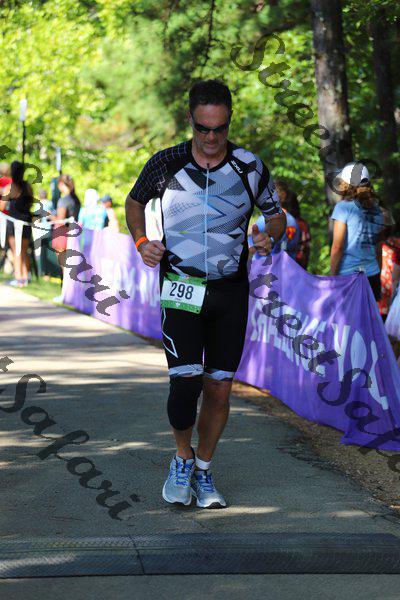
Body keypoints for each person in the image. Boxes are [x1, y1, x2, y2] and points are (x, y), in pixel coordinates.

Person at [125, 79, 286, 509]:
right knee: (185, 383)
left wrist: (269, 235)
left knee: (219, 389)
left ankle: (203, 468)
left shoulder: (250, 166)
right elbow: (134, 202)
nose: (212, 138)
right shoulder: (166, 162)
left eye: (220, 128)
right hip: (181, 286)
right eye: (203, 128)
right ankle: (182, 457)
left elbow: (276, 215)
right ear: (190, 120)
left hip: (229, 291)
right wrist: (142, 242)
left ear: (230, 121)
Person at [330, 162, 385, 300]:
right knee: (367, 313)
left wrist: (332, 278)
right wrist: (377, 273)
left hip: (348, 275)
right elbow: (379, 250)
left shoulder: (343, 208)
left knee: (348, 314)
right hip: (372, 274)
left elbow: (337, 247)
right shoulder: (378, 210)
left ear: (345, 184)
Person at [47, 174, 81, 302]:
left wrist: (49, 215)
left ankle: (65, 295)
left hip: (61, 234)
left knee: (64, 267)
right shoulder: (76, 200)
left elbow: (60, 220)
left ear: (61, 184)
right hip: (73, 234)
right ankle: (71, 294)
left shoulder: (63, 200)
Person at [4, 161, 34, 287]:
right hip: (26, 221)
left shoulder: (10, 187)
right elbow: (31, 203)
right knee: (23, 251)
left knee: (16, 251)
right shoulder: (28, 187)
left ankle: (19, 278)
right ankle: (25, 277)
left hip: (14, 222)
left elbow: (2, 206)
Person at [285, 190, 311, 269]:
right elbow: (307, 247)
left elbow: (285, 245)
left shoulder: (289, 224)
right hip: (300, 263)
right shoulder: (303, 223)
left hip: (290, 263)